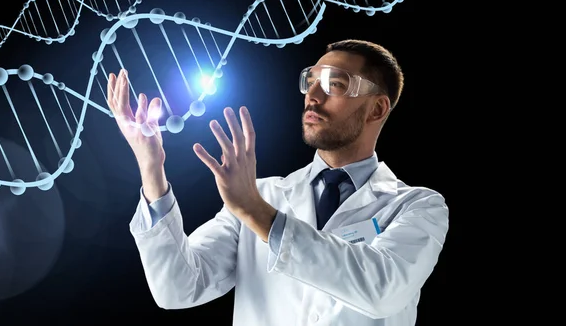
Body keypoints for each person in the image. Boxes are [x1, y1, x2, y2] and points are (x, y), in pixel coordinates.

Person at [107, 39, 449, 326]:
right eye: (310, 81)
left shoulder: (419, 207)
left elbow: (382, 291)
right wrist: (151, 169)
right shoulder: (263, 194)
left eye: (335, 84)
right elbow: (178, 288)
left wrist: (256, 212)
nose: (313, 95)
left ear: (376, 109)